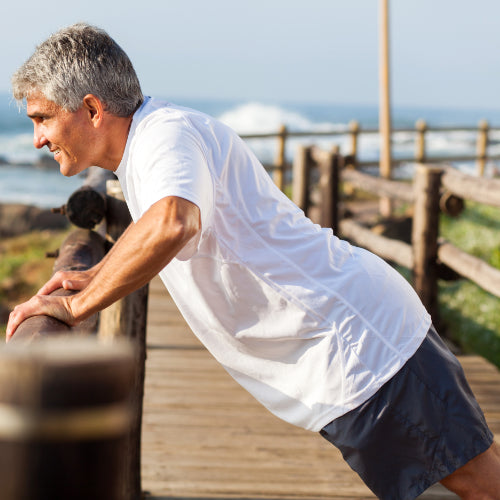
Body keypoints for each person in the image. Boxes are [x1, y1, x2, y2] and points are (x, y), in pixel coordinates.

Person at [7, 23, 500, 500]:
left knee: (480, 484)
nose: (37, 139)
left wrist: (77, 307)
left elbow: (173, 222)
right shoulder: (148, 146)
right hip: (342, 352)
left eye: (42, 118)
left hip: (359, 347)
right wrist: (96, 272)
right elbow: (164, 222)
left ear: (91, 108)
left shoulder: (163, 136)